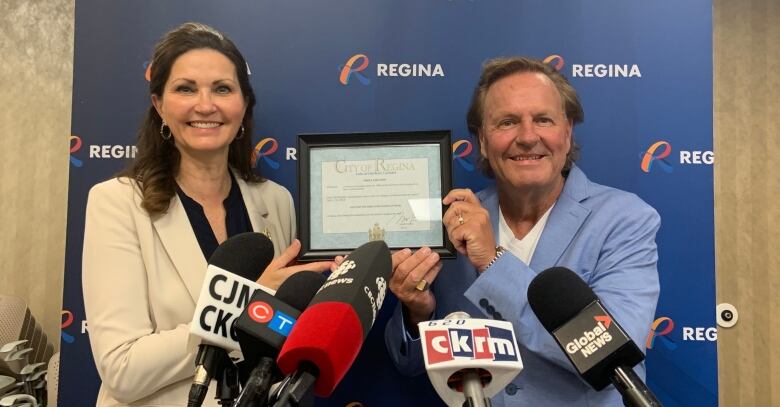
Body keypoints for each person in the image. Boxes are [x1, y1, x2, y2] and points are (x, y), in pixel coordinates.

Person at [82, 22, 334, 406]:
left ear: (244, 105)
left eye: (222, 88)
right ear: (159, 106)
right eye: (185, 89)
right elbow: (123, 368)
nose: (205, 105)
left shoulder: (276, 200)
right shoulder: (116, 203)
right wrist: (251, 302)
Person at [384, 57, 660, 406]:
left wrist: (494, 263)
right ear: (483, 141)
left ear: (567, 131)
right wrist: (417, 312)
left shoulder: (624, 219)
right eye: (507, 122)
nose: (528, 137)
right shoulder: (453, 222)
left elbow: (609, 355)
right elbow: (408, 364)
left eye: (543, 119)